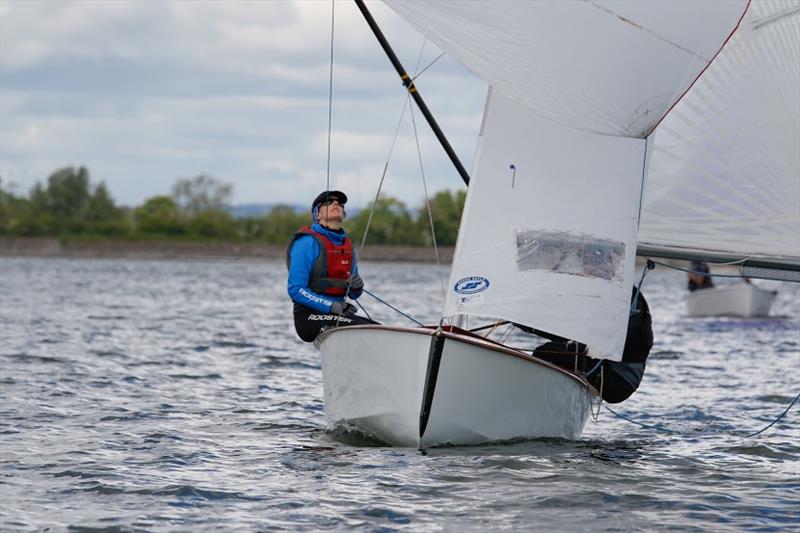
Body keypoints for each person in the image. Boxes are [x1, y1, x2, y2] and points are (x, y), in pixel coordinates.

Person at [529, 287, 653, 404]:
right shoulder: (605, 292)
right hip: (606, 367)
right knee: (549, 351)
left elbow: (641, 345)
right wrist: (530, 326)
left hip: (619, 379)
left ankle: (538, 404)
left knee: (545, 353)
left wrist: (593, 349)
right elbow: (568, 329)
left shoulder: (630, 299)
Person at [286, 190, 378, 342]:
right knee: (371, 332)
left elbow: (354, 295)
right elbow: (296, 290)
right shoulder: (306, 243)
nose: (336, 204)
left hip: (338, 315)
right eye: (329, 202)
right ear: (317, 214)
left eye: (340, 204)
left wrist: (356, 286)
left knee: (376, 328)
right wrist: (331, 306)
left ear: (344, 214)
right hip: (309, 317)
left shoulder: (346, 245)